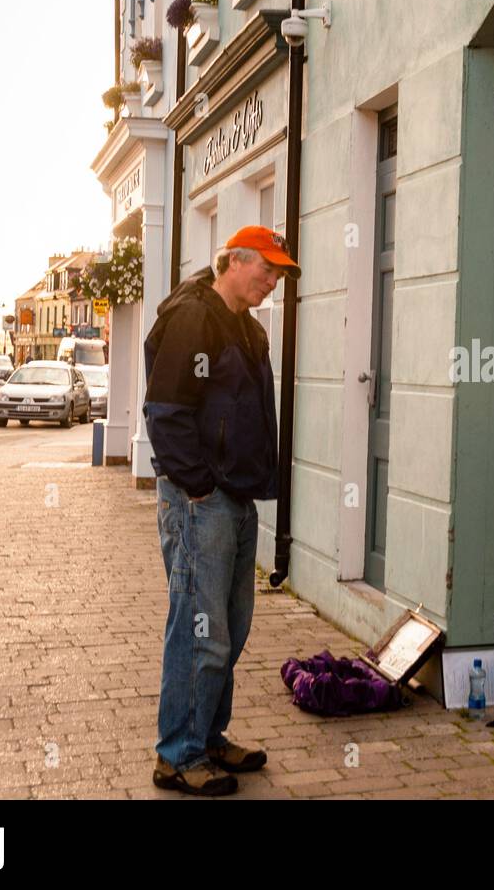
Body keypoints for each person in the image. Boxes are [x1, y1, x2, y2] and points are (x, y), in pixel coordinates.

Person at [143, 226, 300, 796]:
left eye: (280, 273)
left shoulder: (246, 328)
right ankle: (177, 756)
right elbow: (163, 410)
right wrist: (198, 486)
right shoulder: (192, 316)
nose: (274, 281)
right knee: (198, 629)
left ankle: (209, 738)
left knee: (230, 629)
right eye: (268, 269)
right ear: (234, 261)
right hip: (199, 502)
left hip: (236, 498)